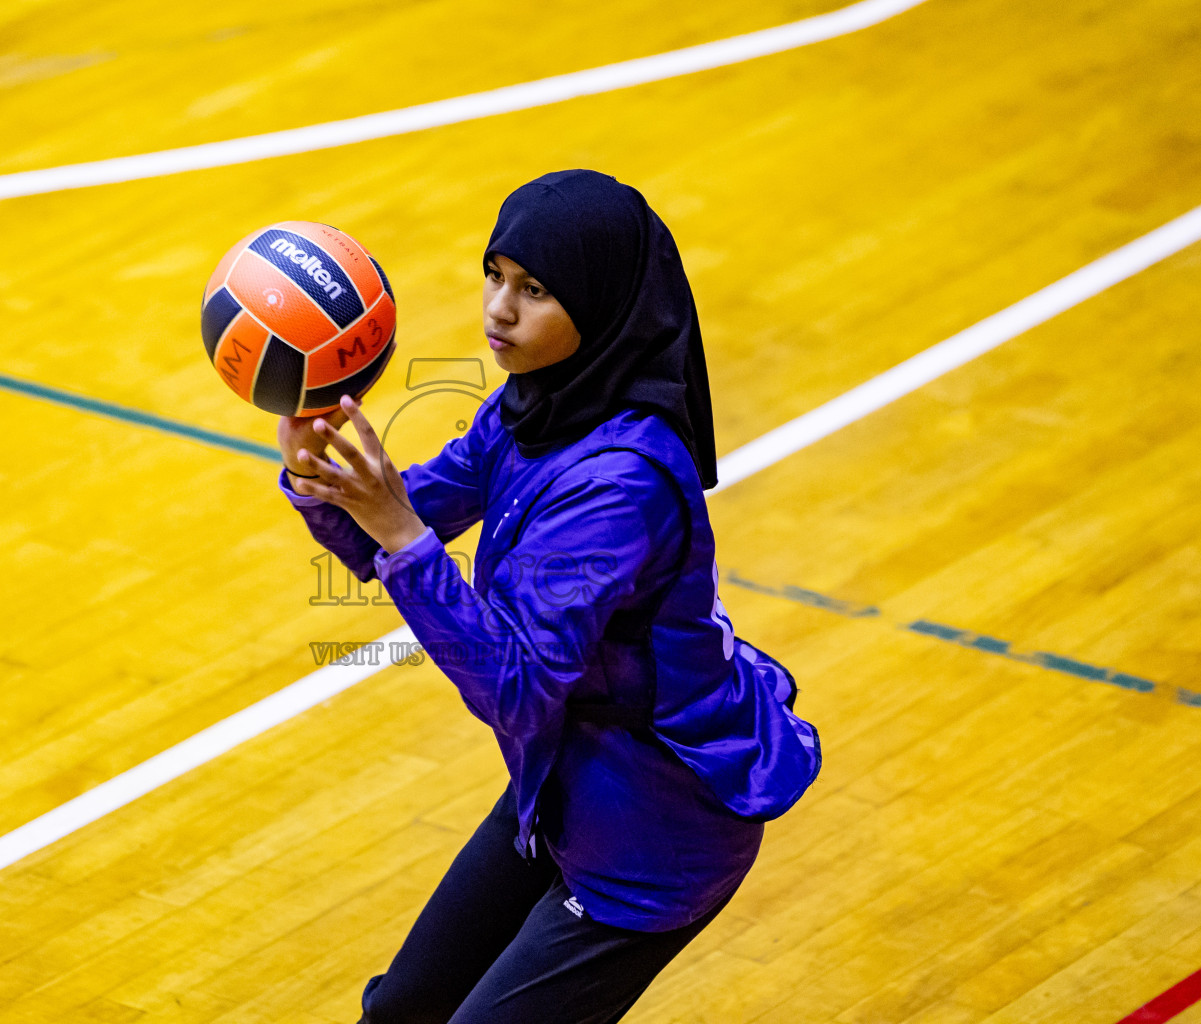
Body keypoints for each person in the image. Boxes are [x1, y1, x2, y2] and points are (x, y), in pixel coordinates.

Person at [274, 170, 821, 1024]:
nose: (499, 309)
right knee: (399, 1013)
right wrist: (321, 480)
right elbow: (393, 526)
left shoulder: (621, 486)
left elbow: (517, 686)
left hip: (653, 837)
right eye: (494, 274)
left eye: (534, 291)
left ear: (600, 308)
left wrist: (401, 535)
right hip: (565, 783)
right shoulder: (529, 408)